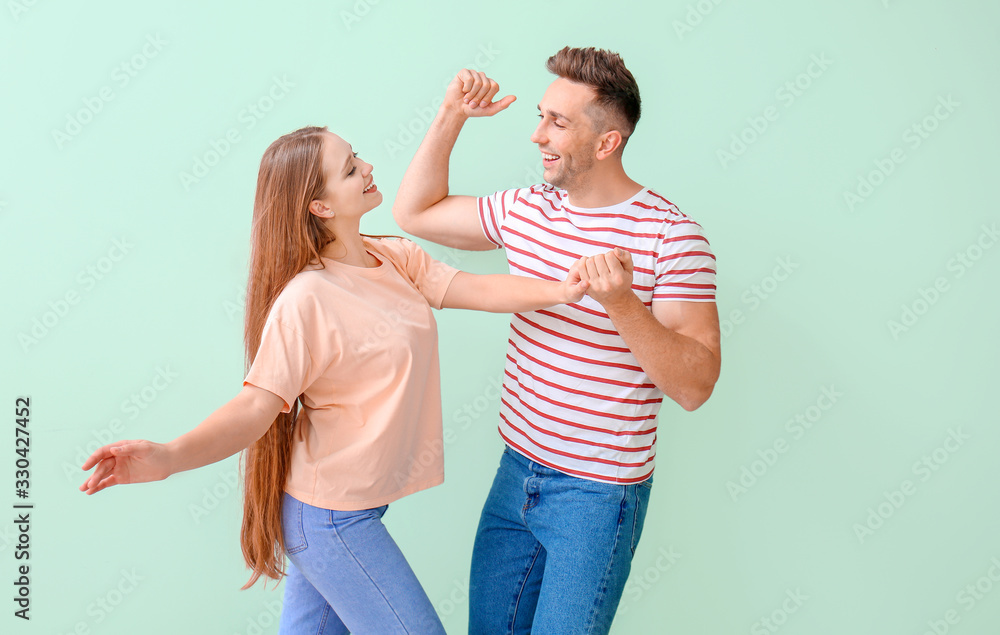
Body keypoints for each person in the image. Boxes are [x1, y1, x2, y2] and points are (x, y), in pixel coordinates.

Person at [78, 125, 599, 634]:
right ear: (320, 206)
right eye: (351, 169)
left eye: (359, 157)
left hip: (344, 510)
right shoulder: (306, 300)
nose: (369, 167)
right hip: (328, 518)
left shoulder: (392, 256)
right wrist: (168, 457)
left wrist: (564, 289)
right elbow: (254, 408)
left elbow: (475, 289)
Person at [392, 47, 722, 634]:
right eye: (541, 115)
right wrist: (452, 114)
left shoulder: (671, 236)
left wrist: (621, 302)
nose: (537, 134)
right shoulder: (528, 208)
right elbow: (415, 213)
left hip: (597, 497)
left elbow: (695, 384)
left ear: (607, 143)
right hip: (515, 471)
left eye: (558, 122)